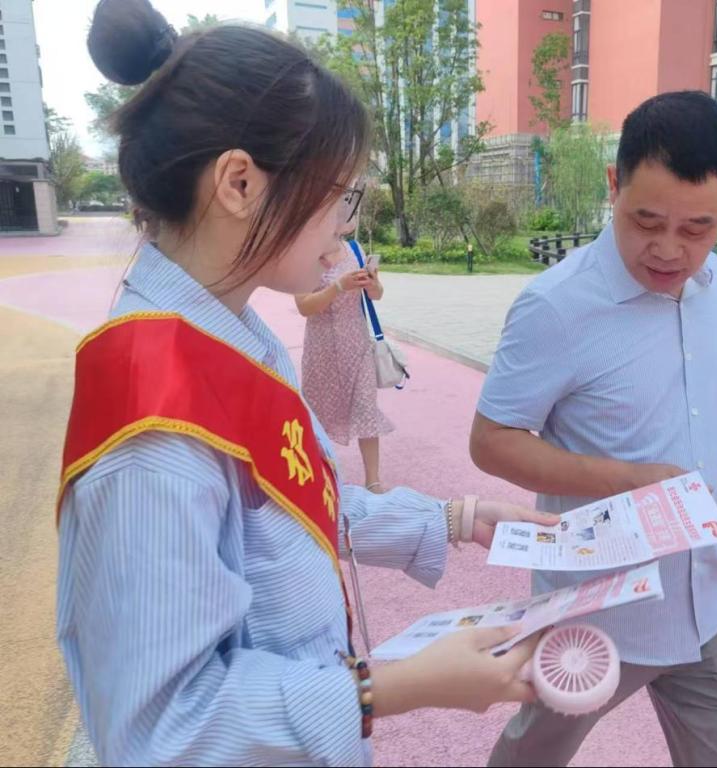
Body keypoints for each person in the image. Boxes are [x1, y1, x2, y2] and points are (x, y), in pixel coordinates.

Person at [57, 3, 556, 765]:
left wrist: (453, 518)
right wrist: (388, 689)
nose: (346, 223)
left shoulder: (229, 331)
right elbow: (162, 728)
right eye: (341, 194)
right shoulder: (152, 433)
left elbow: (294, 503)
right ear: (239, 182)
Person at [470, 91, 717, 767]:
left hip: (701, 595)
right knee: (535, 752)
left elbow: (701, 425)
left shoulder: (713, 283)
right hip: (599, 607)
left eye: (698, 228)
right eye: (646, 220)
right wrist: (633, 482)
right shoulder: (557, 306)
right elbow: (491, 441)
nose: (670, 249)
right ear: (613, 185)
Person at [296, 225, 392, 493]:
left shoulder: (355, 250)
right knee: (319, 415)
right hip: (321, 349)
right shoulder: (304, 253)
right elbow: (304, 306)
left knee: (366, 407)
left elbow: (377, 295)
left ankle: (373, 481)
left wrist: (372, 284)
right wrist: (338, 286)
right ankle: (320, 477)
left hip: (357, 343)